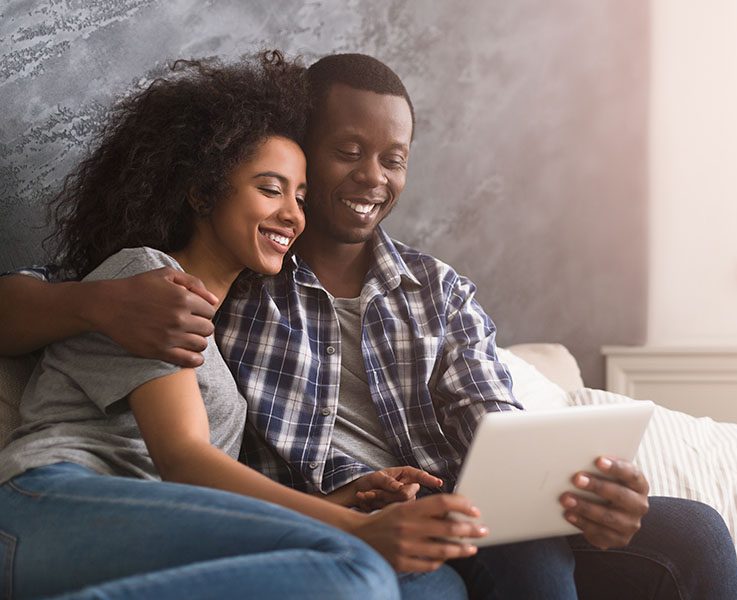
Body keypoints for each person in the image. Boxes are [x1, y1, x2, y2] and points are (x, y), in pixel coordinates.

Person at [0, 53, 737, 599]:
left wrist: (577, 499)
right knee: (408, 572)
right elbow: (184, 449)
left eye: (393, 159)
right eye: (346, 153)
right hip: (351, 524)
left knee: (692, 532)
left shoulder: (438, 291)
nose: (371, 178)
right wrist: (92, 303)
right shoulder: (224, 288)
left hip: (452, 503)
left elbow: (496, 430)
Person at [0, 51, 486, 600]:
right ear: (204, 191)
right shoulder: (147, 280)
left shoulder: (224, 343)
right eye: (271, 189)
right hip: (49, 499)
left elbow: (207, 504)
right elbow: (183, 461)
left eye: (299, 197)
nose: (293, 215)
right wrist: (357, 530)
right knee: (360, 569)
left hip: (147, 524)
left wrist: (347, 502)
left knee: (423, 585)